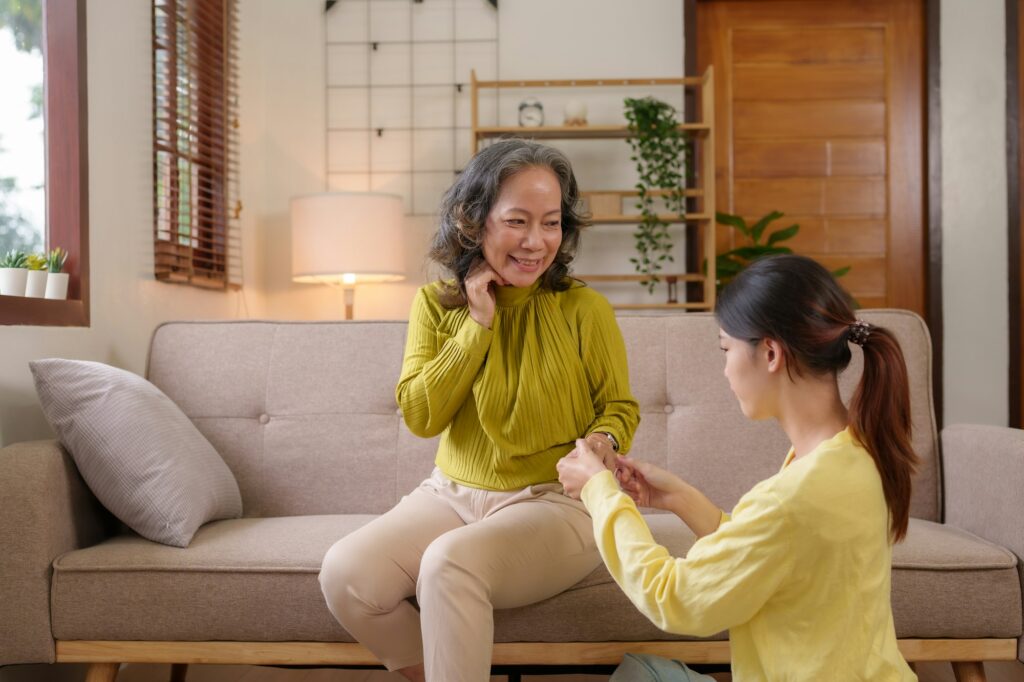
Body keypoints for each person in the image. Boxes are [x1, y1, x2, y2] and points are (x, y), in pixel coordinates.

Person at [318, 139, 640, 682]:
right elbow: (422, 417)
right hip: (453, 494)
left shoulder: (585, 309)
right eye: (518, 221)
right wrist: (477, 325)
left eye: (552, 223)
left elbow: (619, 408)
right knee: (347, 573)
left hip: (559, 504)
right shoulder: (434, 305)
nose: (537, 242)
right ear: (473, 221)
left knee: (449, 562)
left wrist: (603, 442)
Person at [557, 254, 920, 681]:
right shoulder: (851, 452)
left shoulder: (799, 494)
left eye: (726, 348)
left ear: (769, 352)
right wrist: (678, 497)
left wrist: (601, 493)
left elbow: (675, 597)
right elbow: (772, 553)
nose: (725, 368)